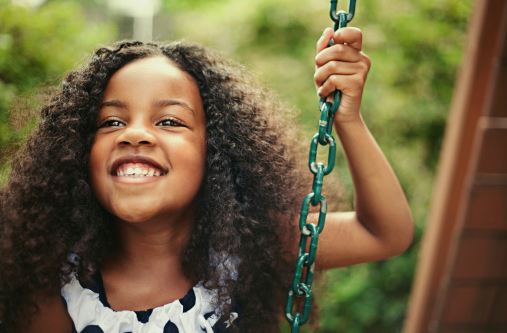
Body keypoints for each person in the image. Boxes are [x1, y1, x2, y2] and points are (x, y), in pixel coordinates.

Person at [0, 27, 413, 333]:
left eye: (169, 120)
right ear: (77, 151)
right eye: (110, 121)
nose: (134, 133)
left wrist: (348, 119)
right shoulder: (51, 282)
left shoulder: (250, 248)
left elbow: (383, 233)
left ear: (214, 153)